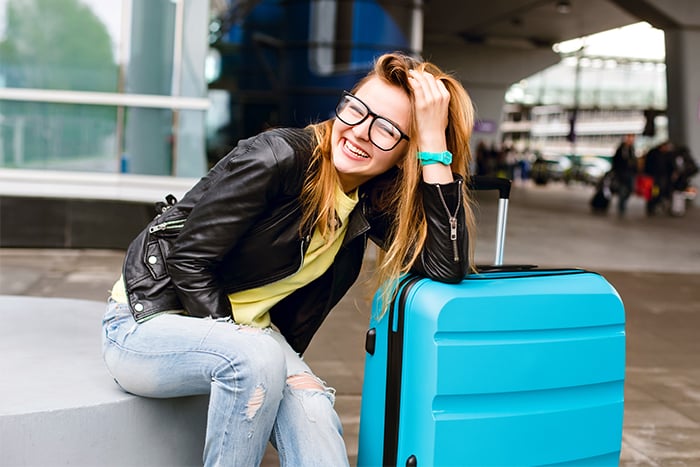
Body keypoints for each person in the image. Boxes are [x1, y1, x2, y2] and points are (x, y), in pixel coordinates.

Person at [101, 52, 477, 467]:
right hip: (146, 323)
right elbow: (188, 260)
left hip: (248, 338)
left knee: (314, 412)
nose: (360, 132)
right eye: (356, 109)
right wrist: (251, 350)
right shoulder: (278, 156)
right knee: (255, 358)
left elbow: (446, 266)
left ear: (406, 154)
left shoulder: (367, 202)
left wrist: (434, 147)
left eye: (387, 129)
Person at [643, 140, 675, 215]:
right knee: (655, 191)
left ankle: (656, 203)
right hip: (654, 177)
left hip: (663, 176)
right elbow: (648, 165)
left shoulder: (667, 154)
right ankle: (652, 205)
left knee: (661, 190)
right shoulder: (653, 153)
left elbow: (670, 165)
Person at [610, 134, 637, 217]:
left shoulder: (632, 149)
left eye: (632, 139)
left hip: (630, 173)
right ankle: (621, 207)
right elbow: (616, 161)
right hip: (622, 173)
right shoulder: (621, 149)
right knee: (622, 190)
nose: (631, 140)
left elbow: (633, 161)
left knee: (630, 189)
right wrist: (616, 172)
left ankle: (623, 204)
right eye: (629, 138)